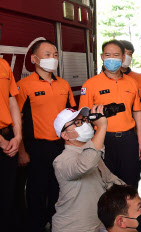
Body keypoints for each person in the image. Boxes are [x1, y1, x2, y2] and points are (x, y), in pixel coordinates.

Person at [16, 40, 76, 232]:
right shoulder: (23, 86)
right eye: (47, 54)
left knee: (59, 190)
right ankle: (36, 226)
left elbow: (72, 116)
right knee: (36, 193)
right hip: (36, 149)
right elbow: (18, 121)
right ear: (34, 59)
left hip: (62, 147)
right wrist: (21, 151)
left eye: (55, 54)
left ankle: (56, 225)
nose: (53, 58)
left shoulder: (64, 85)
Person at [79, 39, 141, 187]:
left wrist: (140, 141)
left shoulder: (132, 83)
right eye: (108, 55)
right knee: (104, 184)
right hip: (102, 140)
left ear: (123, 58)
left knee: (130, 182)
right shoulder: (90, 84)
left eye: (116, 55)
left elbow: (137, 113)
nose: (111, 59)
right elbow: (83, 117)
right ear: (102, 57)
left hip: (128, 139)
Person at [52, 105, 125, 232]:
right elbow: (85, 165)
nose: (85, 124)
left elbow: (109, 179)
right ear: (65, 135)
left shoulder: (91, 153)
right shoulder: (61, 161)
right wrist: (101, 127)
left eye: (85, 120)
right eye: (78, 123)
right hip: (72, 228)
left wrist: (130, 195)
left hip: (97, 225)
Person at [0, 57, 22, 231]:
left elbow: (11, 100)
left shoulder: (3, 64)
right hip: (3, 142)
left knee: (8, 197)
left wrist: (18, 136)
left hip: (9, 141)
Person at [120, 40, 141, 122]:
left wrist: (139, 125)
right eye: (124, 53)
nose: (127, 56)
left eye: (129, 54)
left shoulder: (139, 77)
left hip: (133, 125)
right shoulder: (102, 78)